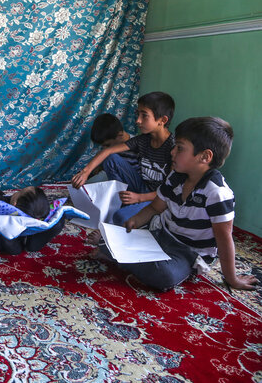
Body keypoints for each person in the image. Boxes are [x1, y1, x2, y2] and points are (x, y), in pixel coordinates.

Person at [115, 117, 257, 291]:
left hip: (188, 253)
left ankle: (118, 255)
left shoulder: (217, 193)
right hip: (162, 233)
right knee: (121, 218)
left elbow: (224, 240)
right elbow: (154, 208)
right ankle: (120, 252)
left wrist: (232, 279)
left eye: (179, 148)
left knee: (164, 276)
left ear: (205, 156)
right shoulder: (175, 177)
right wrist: (133, 222)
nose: (172, 152)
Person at [72, 92, 176, 227]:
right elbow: (108, 151)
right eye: (137, 114)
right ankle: (121, 200)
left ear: (162, 120)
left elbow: (170, 191)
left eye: (144, 115)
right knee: (111, 158)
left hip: (157, 198)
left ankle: (145, 215)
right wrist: (85, 172)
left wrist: (139, 198)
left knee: (120, 217)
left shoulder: (173, 148)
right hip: (141, 187)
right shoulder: (143, 140)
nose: (138, 120)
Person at [86, 113, 137, 183]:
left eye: (107, 145)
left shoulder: (137, 147)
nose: (104, 149)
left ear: (120, 135)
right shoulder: (112, 143)